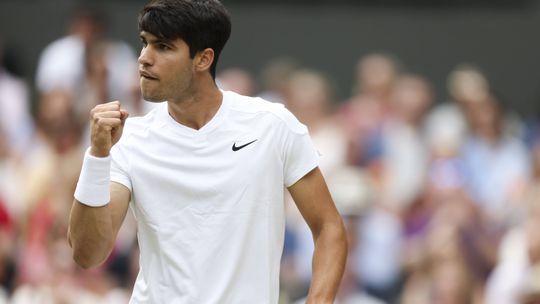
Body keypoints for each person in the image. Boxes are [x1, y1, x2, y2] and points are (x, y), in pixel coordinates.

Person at [67, 0, 347, 303]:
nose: (143, 59)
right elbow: (88, 254)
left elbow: (329, 228)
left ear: (203, 59)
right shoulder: (127, 140)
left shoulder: (272, 126)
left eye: (162, 47)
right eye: (144, 43)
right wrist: (97, 156)